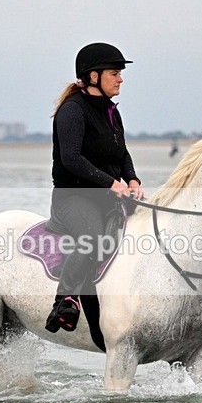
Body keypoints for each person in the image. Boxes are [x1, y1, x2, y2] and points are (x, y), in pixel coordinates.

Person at [45, 42, 144, 333]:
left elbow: (122, 153)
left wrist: (133, 180)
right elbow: (71, 159)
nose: (121, 79)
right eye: (115, 73)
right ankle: (64, 300)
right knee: (91, 237)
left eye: (120, 73)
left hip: (107, 196)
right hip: (73, 197)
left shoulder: (111, 112)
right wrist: (112, 183)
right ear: (92, 76)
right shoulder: (72, 111)